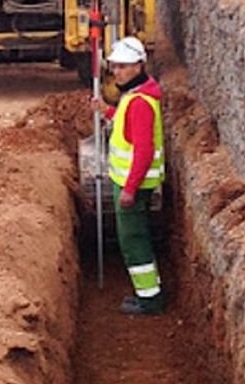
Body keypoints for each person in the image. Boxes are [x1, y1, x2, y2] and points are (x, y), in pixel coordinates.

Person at [92, 36, 165, 315]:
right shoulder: (135, 96)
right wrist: (107, 112)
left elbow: (143, 151)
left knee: (134, 240)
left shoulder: (140, 102)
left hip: (133, 184)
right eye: (114, 66)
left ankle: (149, 298)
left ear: (138, 67)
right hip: (132, 182)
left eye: (122, 67)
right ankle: (149, 292)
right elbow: (128, 130)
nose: (116, 72)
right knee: (134, 237)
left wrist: (130, 189)